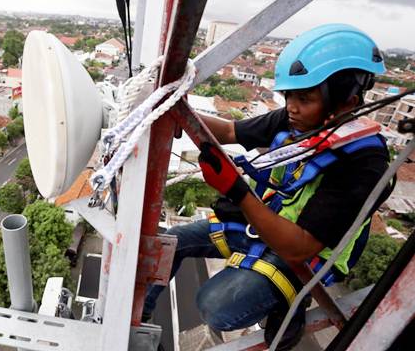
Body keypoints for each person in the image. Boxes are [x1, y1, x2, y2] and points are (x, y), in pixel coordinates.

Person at [143, 24, 393, 349]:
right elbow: (231, 131)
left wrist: (237, 191)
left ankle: (287, 301)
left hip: (304, 257)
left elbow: (300, 247)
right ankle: (141, 326)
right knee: (169, 243)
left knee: (216, 307)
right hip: (265, 225)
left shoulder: (364, 163)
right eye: (289, 96)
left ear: (346, 103)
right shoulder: (299, 121)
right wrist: (180, 112)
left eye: (304, 98)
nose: (292, 106)